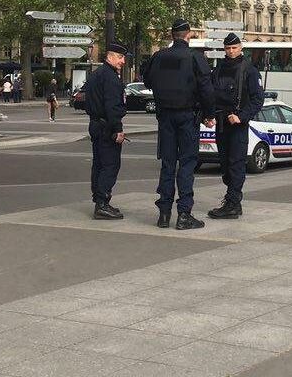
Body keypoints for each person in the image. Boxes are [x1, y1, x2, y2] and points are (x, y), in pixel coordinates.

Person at [142, 18, 215, 230]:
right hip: (187, 116)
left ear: (172, 35)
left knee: (167, 164)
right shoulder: (195, 57)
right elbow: (206, 88)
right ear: (189, 34)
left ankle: (163, 214)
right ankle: (184, 214)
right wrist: (209, 114)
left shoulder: (158, 56)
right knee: (187, 164)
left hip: (164, 116)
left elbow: (147, 80)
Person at [208, 33, 265, 220]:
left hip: (237, 124)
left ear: (241, 48)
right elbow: (210, 94)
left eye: (234, 48)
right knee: (224, 164)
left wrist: (241, 116)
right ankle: (233, 201)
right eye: (227, 48)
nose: (231, 51)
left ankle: (233, 203)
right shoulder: (218, 69)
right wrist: (208, 115)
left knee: (236, 164)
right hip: (221, 122)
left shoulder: (249, 70)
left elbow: (258, 100)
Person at [85, 43, 129, 220]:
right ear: (110, 57)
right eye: (120, 57)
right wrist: (118, 129)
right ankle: (102, 203)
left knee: (99, 164)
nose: (123, 61)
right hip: (107, 127)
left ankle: (99, 199)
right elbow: (112, 106)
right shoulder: (111, 78)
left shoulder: (96, 75)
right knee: (110, 165)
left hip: (96, 124)